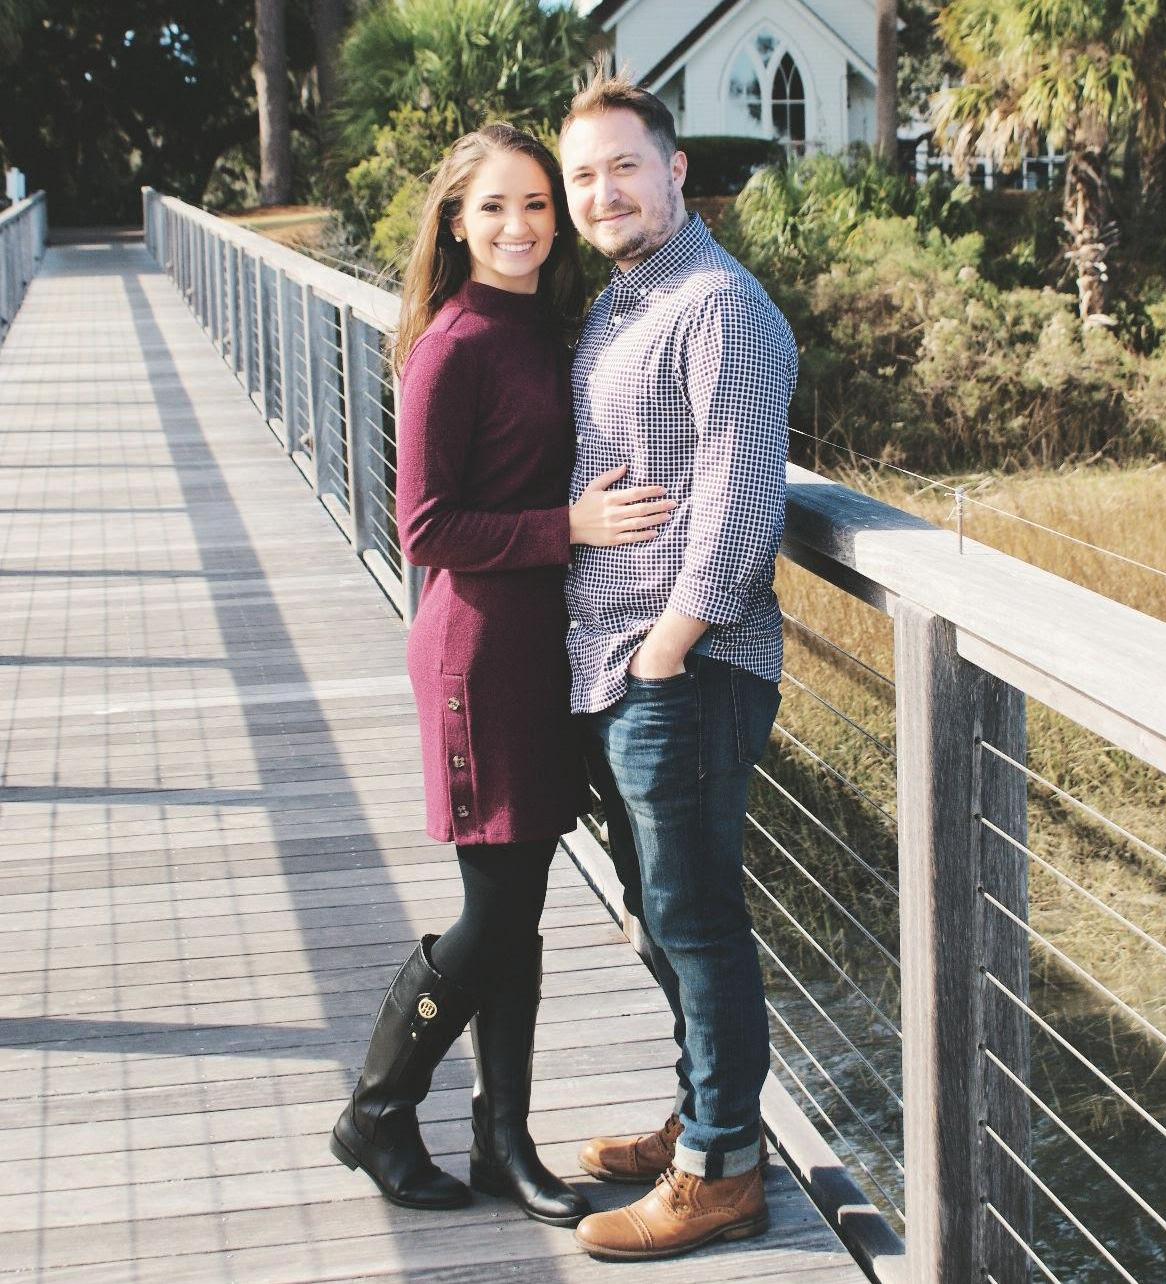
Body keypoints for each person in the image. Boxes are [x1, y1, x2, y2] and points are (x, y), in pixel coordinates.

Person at [329, 123, 677, 1226]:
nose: (520, 225)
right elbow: (424, 526)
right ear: (455, 220)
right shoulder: (455, 343)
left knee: (516, 909)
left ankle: (499, 1140)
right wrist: (567, 527)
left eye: (536, 204)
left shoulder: (548, 326)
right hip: (476, 657)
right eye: (494, 207)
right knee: (495, 913)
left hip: (545, 651)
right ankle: (378, 1110)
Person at [557, 68, 799, 1261]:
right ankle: (702, 1117)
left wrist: (666, 653)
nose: (604, 191)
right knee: (661, 919)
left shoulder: (720, 306)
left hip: (686, 669)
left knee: (695, 922)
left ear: (675, 169)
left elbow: (743, 499)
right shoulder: (620, 303)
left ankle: (722, 1172)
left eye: (624, 165)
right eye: (584, 175)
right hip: (618, 667)